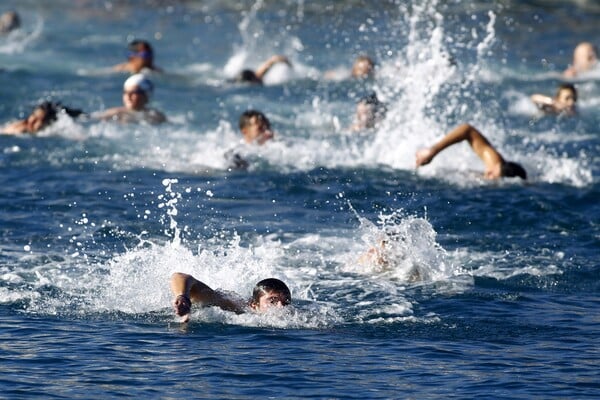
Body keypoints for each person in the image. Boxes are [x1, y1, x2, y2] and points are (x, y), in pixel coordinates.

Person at [415, 123, 527, 180]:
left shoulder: (493, 173)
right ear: (499, 164)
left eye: (493, 177)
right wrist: (433, 151)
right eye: (493, 172)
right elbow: (467, 129)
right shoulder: (494, 160)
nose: (489, 174)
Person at [170, 272, 292, 322]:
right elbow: (180, 276)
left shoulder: (297, 317)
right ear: (254, 305)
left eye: (285, 302)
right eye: (272, 301)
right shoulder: (232, 306)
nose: (281, 307)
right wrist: (183, 297)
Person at [94, 73, 166, 124]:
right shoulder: (115, 114)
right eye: (125, 92)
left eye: (134, 92)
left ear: (146, 95)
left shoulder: (156, 116)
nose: (128, 96)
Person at [1, 101, 83, 135]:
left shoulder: (52, 131)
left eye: (39, 120)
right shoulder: (20, 128)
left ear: (47, 123)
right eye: (33, 116)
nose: (32, 122)